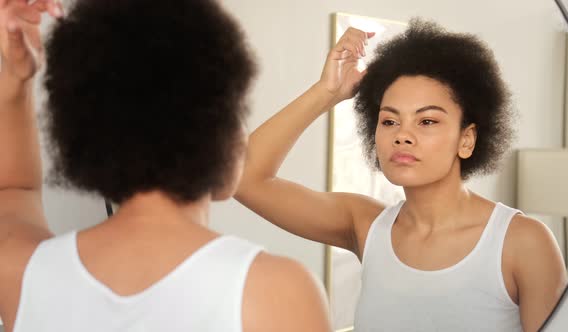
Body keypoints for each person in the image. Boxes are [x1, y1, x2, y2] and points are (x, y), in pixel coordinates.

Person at [0, 0, 331, 331]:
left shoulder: (23, 271)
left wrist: (17, 79)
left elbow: (13, 191)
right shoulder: (276, 292)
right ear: (218, 128)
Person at [236, 19, 568, 332]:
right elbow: (244, 178)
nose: (402, 135)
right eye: (390, 121)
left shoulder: (523, 242)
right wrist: (328, 91)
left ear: (466, 139)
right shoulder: (366, 226)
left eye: (427, 121)